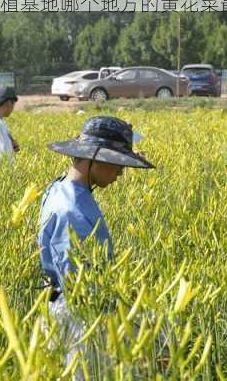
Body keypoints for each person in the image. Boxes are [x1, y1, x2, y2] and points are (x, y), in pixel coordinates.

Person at [38, 116, 154, 377]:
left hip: (68, 309)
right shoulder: (72, 209)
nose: (121, 173)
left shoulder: (59, 189)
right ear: (95, 158)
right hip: (77, 317)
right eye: (117, 163)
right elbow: (81, 284)